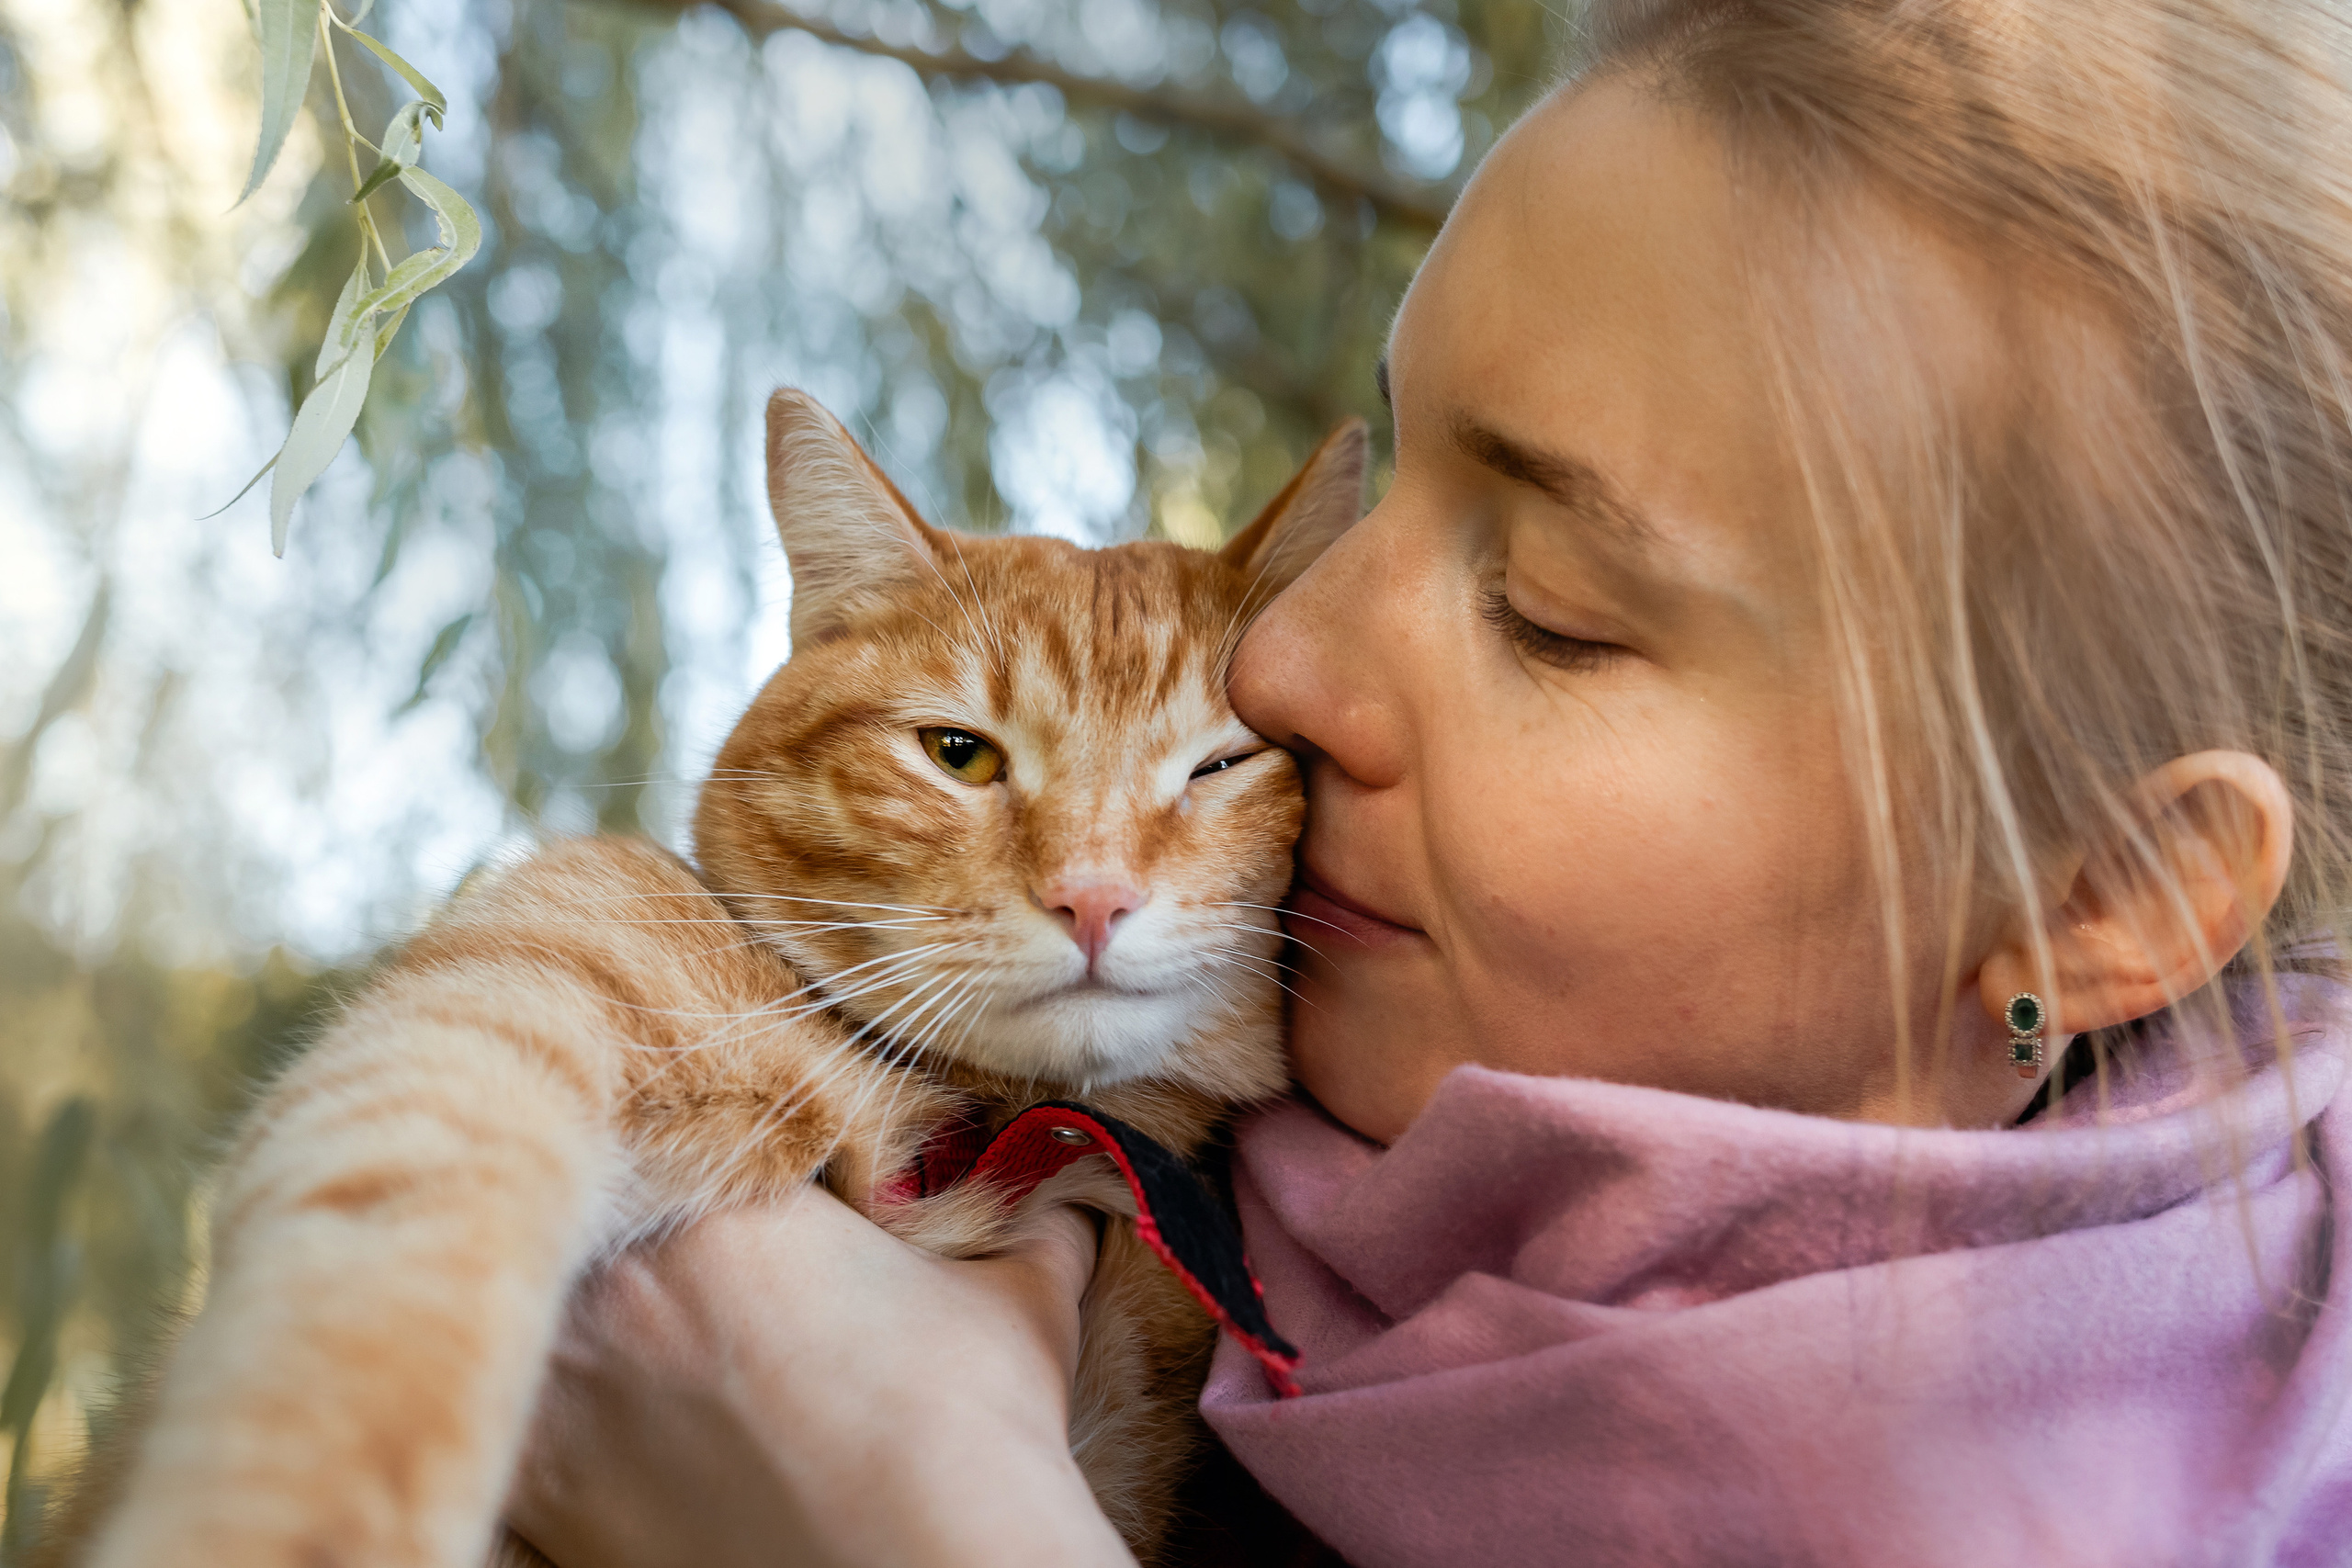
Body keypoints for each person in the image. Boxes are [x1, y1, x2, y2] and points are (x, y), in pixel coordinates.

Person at [504, 1, 2352, 1562]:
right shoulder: (1123, 1181)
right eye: (1385, 481)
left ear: (2093, 900)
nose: (1283, 661)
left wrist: (924, 1510)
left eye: (1550, 613)